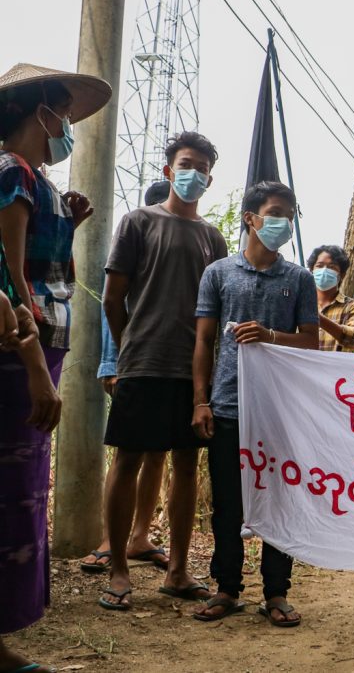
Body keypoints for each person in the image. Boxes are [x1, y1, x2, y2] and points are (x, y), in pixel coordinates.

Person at [0, 62, 111, 673]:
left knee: (21, 491)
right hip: (18, 354)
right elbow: (9, 279)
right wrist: (32, 362)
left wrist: (70, 220)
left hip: (38, 350)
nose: (67, 125)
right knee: (10, 492)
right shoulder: (11, 174)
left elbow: (44, 270)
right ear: (37, 112)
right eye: (61, 112)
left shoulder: (33, 181)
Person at [100, 133, 226, 610]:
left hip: (193, 373)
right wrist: (132, 343)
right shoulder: (137, 222)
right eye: (185, 163)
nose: (193, 173)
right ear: (170, 169)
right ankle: (118, 568)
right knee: (128, 459)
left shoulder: (213, 238)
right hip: (142, 364)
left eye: (202, 167)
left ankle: (176, 570)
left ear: (210, 179)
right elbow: (114, 299)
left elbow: (212, 314)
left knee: (187, 465)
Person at [192, 180, 318, 627]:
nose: (283, 222)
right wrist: (200, 402)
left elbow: (311, 342)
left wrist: (270, 337)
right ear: (251, 218)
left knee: (279, 500)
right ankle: (226, 588)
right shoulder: (218, 274)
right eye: (276, 212)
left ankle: (277, 593)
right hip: (227, 407)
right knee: (228, 504)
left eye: (289, 214)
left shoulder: (300, 278)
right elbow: (204, 341)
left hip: (281, 412)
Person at [80, 180, 174, 575]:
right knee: (127, 456)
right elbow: (112, 305)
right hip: (131, 365)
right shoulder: (135, 236)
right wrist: (114, 364)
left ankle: (140, 536)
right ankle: (110, 540)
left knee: (158, 455)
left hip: (170, 368)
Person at [308, 244, 354, 351]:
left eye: (331, 267)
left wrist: (316, 317)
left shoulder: (353, 306)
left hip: (336, 367)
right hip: (302, 367)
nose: (324, 270)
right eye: (319, 266)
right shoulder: (300, 303)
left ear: (342, 275)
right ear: (311, 271)